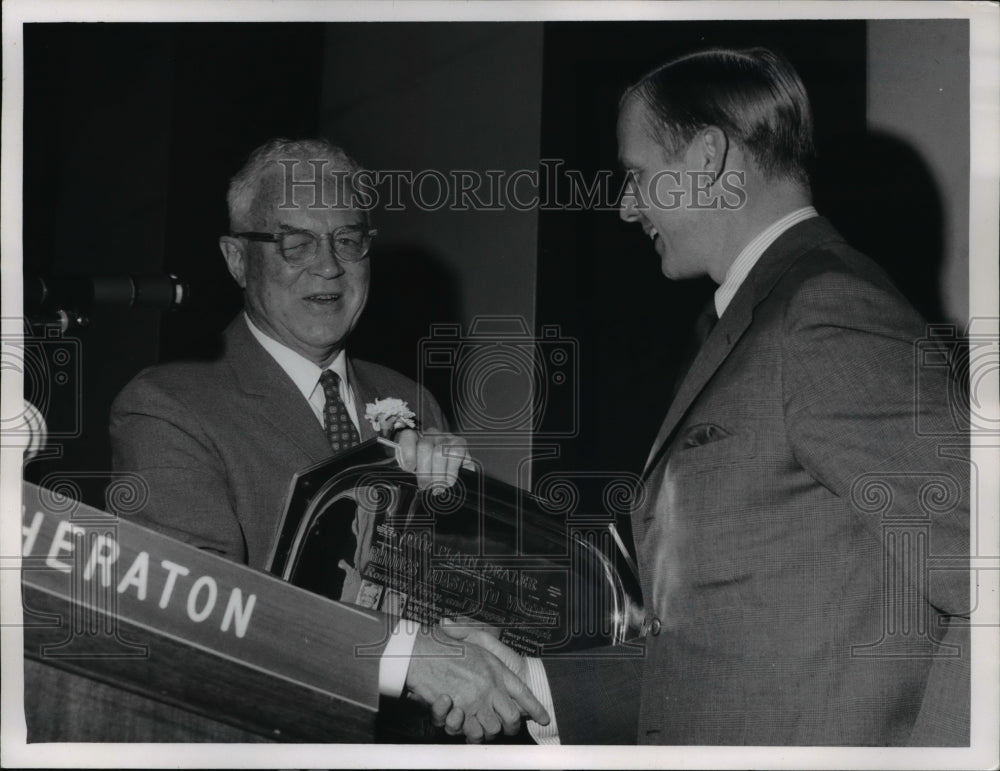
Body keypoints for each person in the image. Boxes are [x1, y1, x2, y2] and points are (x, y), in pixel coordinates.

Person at [436, 47, 970, 746]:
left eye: (636, 175)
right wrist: (534, 687)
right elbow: (721, 641)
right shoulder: (749, 320)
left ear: (709, 158)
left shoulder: (822, 309)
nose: (627, 208)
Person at [110, 138, 548, 741]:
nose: (329, 266)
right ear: (237, 258)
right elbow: (195, 606)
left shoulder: (411, 399)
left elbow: (455, 593)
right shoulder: (168, 406)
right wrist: (407, 657)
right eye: (295, 241)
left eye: (348, 240)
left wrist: (474, 597)